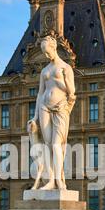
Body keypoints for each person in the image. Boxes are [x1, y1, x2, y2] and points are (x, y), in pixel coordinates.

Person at [28, 35, 76, 190]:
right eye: (43, 52)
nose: (45, 55)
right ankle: (50, 181)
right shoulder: (44, 71)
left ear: (53, 48)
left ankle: (59, 180)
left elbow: (72, 92)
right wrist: (34, 117)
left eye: (47, 51)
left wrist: (61, 80)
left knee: (57, 144)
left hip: (61, 107)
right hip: (44, 108)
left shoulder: (65, 68)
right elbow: (40, 94)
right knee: (48, 145)